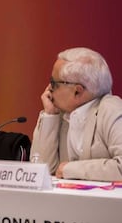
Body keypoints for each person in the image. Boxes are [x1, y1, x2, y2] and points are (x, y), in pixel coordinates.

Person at [30, 47, 122, 181]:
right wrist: (50, 115)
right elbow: (40, 171)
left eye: (54, 83)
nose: (49, 89)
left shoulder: (112, 110)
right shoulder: (62, 113)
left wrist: (70, 169)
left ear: (77, 91)